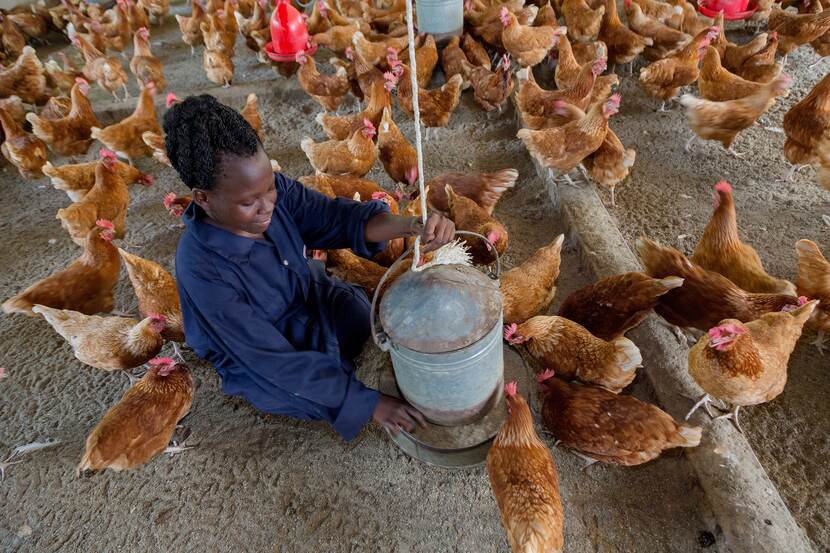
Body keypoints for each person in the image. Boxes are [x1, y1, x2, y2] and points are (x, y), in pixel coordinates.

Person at [164, 95, 456, 441]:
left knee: (363, 318)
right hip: (258, 352)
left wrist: (411, 226)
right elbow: (270, 358)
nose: (266, 206)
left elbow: (336, 217)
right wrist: (370, 402)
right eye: (248, 202)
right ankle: (334, 382)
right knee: (308, 394)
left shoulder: (273, 192)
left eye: (269, 189)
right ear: (203, 199)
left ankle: (336, 365)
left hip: (306, 297)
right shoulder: (202, 267)